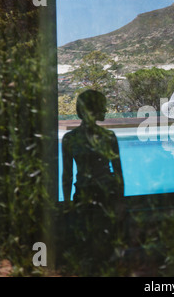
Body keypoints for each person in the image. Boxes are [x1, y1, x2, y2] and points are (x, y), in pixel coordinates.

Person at [61, 89, 124, 270]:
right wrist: (120, 201)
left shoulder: (70, 138)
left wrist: (67, 202)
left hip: (84, 194)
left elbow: (68, 176)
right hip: (104, 195)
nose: (105, 110)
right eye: (102, 106)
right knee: (101, 244)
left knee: (89, 244)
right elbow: (118, 173)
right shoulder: (108, 137)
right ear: (93, 109)